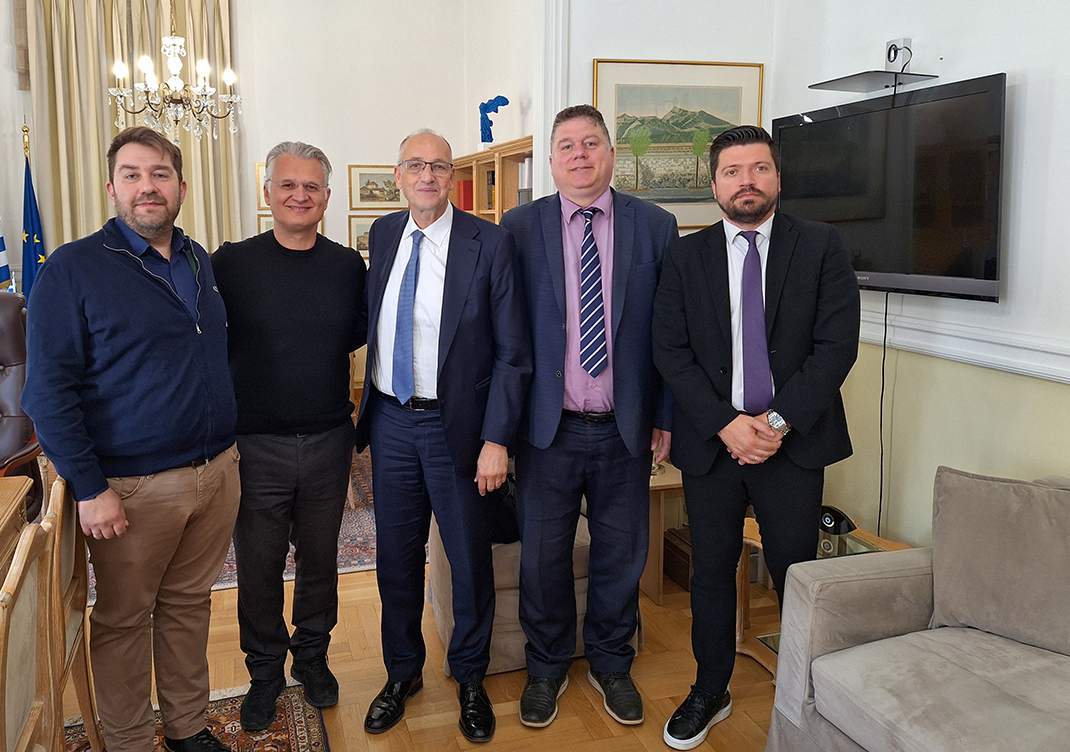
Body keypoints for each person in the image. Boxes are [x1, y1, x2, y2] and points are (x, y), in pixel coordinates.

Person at [22, 125, 240, 752]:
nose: (148, 186)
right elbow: (47, 394)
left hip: (216, 472)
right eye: (133, 175)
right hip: (132, 489)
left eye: (160, 174)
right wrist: (91, 488)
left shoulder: (198, 259)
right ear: (112, 187)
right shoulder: (73, 269)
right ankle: (129, 741)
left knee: (188, 605)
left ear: (181, 187)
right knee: (123, 621)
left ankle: (188, 727)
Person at [651, 124, 860, 750]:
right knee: (712, 572)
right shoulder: (685, 256)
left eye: (759, 168)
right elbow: (670, 350)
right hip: (714, 446)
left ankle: (804, 695)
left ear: (777, 177)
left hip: (791, 445)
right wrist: (725, 424)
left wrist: (773, 424)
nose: (747, 181)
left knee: (797, 574)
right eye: (733, 171)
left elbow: (835, 347)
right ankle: (709, 690)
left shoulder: (820, 245)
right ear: (714, 185)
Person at [500, 104, 677, 729]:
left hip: (626, 428)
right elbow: (507, 332)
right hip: (546, 428)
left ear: (611, 154)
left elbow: (669, 331)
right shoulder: (518, 227)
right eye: (567, 145)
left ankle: (611, 662)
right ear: (551, 161)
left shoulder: (654, 225)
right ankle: (546, 666)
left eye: (592, 143)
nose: (580, 154)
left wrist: (664, 414)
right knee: (543, 558)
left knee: (621, 555)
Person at [356, 129, 531, 743]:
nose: (426, 175)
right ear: (398, 176)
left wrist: (497, 440)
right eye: (415, 165)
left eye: (438, 166)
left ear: (452, 176)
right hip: (390, 421)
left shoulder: (490, 243)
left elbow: (513, 353)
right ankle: (401, 673)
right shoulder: (383, 234)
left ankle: (471, 677)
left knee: (468, 559)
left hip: (460, 428)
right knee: (396, 559)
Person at [211, 142, 366, 730]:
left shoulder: (348, 267)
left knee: (320, 559)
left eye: (311, 187)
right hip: (254, 444)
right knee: (258, 565)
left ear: (326, 197)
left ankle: (313, 659)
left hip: (328, 438)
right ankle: (265, 673)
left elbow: (353, 336)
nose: (300, 195)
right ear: (268, 192)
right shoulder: (231, 264)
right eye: (288, 185)